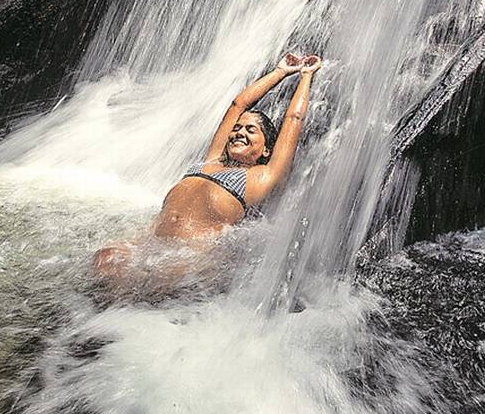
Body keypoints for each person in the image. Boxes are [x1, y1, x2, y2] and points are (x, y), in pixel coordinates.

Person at [93, 52, 321, 282]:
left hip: (189, 260)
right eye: (237, 128)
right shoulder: (213, 159)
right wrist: (279, 72)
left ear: (266, 150)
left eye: (251, 130)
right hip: (151, 246)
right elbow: (237, 105)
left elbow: (293, 119)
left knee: (141, 288)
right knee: (105, 258)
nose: (239, 132)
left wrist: (305, 75)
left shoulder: (261, 177)